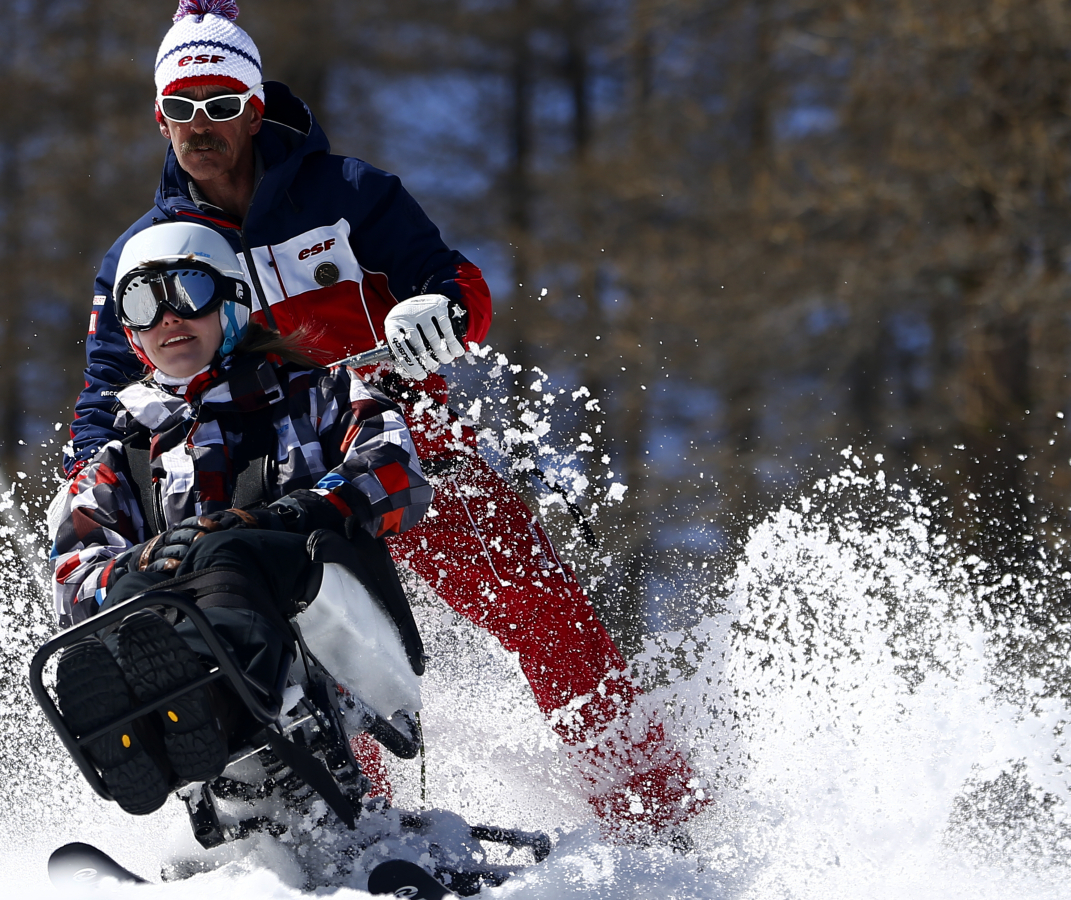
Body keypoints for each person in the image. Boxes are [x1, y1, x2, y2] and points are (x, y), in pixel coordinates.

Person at [62, 0, 704, 835]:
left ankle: (655, 809)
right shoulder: (148, 251)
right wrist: (95, 478)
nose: (201, 127)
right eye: (181, 110)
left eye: (221, 105)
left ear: (255, 110)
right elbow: (105, 388)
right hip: (262, 471)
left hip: (401, 447)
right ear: (160, 118)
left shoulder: (349, 193)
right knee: (304, 650)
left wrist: (432, 315)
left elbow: (460, 287)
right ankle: (354, 834)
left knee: (540, 607)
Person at [47, 220, 432, 815]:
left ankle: (206, 702)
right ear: (131, 332)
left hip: (331, 618)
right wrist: (150, 557)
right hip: (184, 616)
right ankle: (165, 726)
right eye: (144, 303)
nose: (168, 317)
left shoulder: (313, 391)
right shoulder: (125, 454)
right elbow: (73, 567)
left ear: (232, 302)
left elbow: (394, 464)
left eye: (188, 292)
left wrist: (293, 514)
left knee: (225, 551)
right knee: (136, 586)